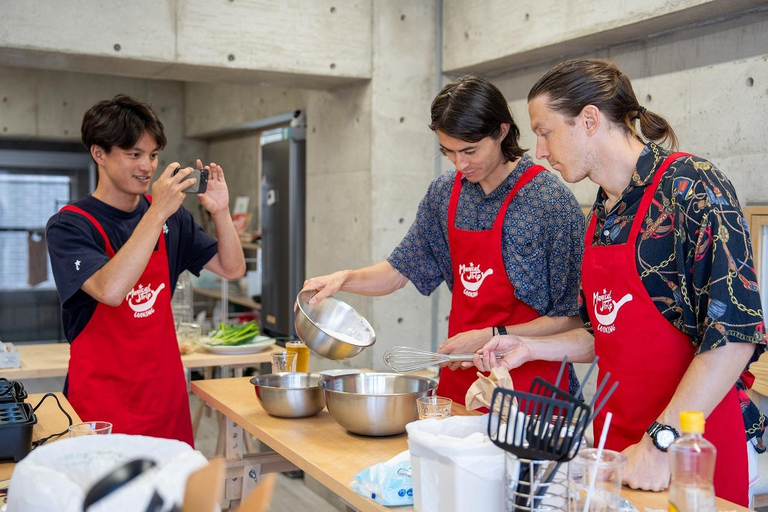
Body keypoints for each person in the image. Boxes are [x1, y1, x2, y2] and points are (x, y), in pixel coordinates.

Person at [474, 58, 765, 507]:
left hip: (688, 452)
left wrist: (660, 442)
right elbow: (605, 332)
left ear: (589, 119)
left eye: (545, 131)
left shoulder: (691, 188)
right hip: (619, 451)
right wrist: (533, 349)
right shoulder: (602, 215)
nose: (540, 151)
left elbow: (735, 337)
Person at [303, 75, 585, 405]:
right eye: (448, 152)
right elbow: (399, 270)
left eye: (470, 150)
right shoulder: (444, 194)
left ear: (501, 131)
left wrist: (495, 336)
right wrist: (346, 279)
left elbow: (574, 319)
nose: (460, 163)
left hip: (533, 391)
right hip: (462, 382)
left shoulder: (550, 203)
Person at [46, 94, 245, 446]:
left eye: (153, 155)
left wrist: (220, 212)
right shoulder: (71, 226)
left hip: (164, 398)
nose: (147, 166)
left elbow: (232, 268)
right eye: (134, 154)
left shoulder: (173, 217)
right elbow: (110, 290)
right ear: (99, 154)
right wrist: (157, 214)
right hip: (101, 404)